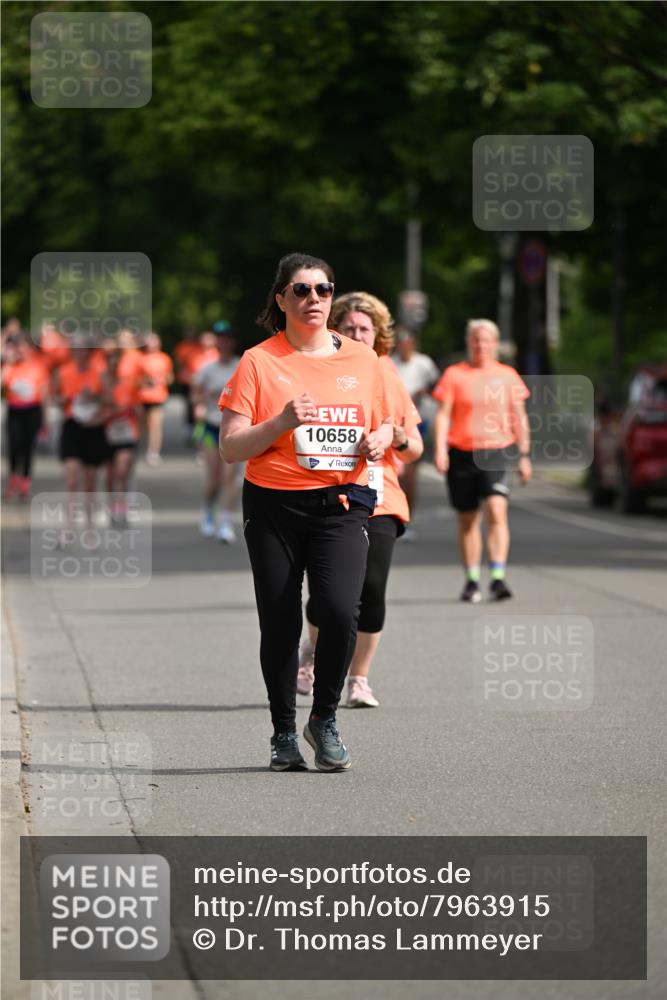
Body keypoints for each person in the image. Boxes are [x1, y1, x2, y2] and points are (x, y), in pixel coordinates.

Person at [219, 253, 392, 772]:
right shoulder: (258, 361)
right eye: (301, 290)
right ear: (281, 299)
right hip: (275, 505)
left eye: (323, 289)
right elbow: (231, 447)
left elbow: (383, 423)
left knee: (340, 611)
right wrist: (282, 422)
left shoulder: (363, 359)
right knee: (280, 621)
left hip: (342, 502)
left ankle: (324, 719)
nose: (314, 299)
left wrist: (382, 438)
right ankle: (281, 732)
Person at [297, 292, 423, 708]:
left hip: (380, 494)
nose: (356, 334)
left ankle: (359, 679)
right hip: (327, 494)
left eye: (364, 329)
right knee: (329, 595)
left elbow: (414, 445)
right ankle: (313, 652)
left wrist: (393, 435)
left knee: (371, 589)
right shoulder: (317, 365)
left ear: (377, 335)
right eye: (348, 327)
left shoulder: (386, 372)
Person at [433, 318, 532, 603]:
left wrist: (524, 455)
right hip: (462, 453)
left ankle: (498, 577)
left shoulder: (508, 375)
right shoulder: (454, 375)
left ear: (495, 344)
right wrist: (440, 449)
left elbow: (519, 416)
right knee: (468, 519)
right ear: (469, 343)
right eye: (476, 339)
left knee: (496, 511)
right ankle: (473, 579)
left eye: (486, 340)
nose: (481, 345)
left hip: (496, 451)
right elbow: (443, 414)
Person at [191, 322, 241, 541]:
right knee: (215, 478)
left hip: (234, 429)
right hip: (211, 428)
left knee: (230, 478)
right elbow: (196, 396)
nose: (224, 342)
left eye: (228, 338)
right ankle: (208, 512)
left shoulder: (242, 366)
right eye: (220, 338)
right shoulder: (206, 369)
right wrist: (200, 405)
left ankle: (226, 522)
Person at [53, 342, 110, 525]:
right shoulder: (63, 372)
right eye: (76, 349)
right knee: (71, 478)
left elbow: (110, 400)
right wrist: (63, 400)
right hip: (72, 426)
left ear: (90, 352)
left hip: (93, 428)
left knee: (90, 483)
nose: (80, 353)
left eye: (84, 349)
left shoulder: (99, 373)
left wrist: (94, 397)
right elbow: (53, 397)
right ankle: (69, 526)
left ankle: (89, 526)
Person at [391, 327, 440, 537]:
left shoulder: (424, 363)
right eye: (400, 342)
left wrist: (423, 392)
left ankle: (407, 520)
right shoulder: (390, 362)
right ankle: (395, 517)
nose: (404, 346)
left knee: (410, 476)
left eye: (407, 341)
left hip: (416, 421)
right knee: (396, 475)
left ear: (413, 343)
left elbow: (438, 387)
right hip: (393, 423)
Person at [2, 335, 50, 499]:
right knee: (14, 447)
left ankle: (24, 484)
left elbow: (43, 395)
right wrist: (7, 364)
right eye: (18, 347)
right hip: (15, 411)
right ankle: (13, 481)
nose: (21, 350)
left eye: (24, 346)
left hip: (32, 410)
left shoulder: (39, 367)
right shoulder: (11, 366)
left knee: (28, 448)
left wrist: (44, 421)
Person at [103, 342, 143, 525]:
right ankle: (111, 505)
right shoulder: (100, 387)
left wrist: (131, 410)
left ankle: (123, 507)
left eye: (116, 364)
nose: (113, 367)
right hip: (106, 434)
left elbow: (139, 410)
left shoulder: (128, 386)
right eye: (110, 364)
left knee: (122, 471)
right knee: (110, 474)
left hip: (127, 433)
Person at [138, 331, 173, 465]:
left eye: (154, 340)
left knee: (155, 425)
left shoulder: (164, 358)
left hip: (158, 397)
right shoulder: (140, 358)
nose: (151, 343)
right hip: (141, 397)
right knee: (142, 425)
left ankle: (153, 452)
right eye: (149, 340)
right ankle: (140, 448)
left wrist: (162, 380)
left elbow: (170, 378)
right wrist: (145, 381)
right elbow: (134, 379)